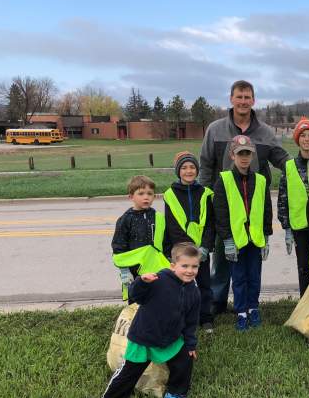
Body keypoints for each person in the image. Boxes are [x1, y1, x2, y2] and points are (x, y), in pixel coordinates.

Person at [198, 80, 290, 316]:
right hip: (223, 207)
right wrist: (205, 196)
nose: (243, 101)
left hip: (254, 208)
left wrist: (307, 166)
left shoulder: (265, 132)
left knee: (250, 260)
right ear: (231, 99)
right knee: (221, 256)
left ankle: (249, 304)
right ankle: (217, 302)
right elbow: (206, 166)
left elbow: (283, 160)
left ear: (253, 100)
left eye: (247, 97)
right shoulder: (215, 129)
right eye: (239, 97)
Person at [81, 242, 201, 398]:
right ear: (173, 265)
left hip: (170, 339)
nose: (190, 271)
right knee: (128, 372)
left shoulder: (194, 292)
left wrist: (190, 344)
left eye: (194, 266)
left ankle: (174, 395)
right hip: (144, 338)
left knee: (184, 360)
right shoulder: (158, 280)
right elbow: (135, 296)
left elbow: (191, 321)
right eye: (185, 266)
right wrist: (141, 282)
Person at [212, 135, 272, 331]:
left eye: (247, 153)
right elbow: (220, 212)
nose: (244, 158)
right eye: (240, 154)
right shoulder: (224, 180)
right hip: (235, 240)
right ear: (232, 155)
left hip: (255, 238)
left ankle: (253, 308)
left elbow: (266, 210)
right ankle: (241, 312)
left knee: (254, 276)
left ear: (252, 155)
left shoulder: (261, 180)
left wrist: (267, 236)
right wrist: (227, 239)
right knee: (238, 278)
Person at [163, 151, 215, 333]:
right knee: (182, 286)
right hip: (183, 251)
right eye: (184, 168)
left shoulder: (205, 193)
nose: (188, 171)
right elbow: (172, 225)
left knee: (204, 285)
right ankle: (183, 317)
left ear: (197, 170)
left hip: (201, 251)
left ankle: (206, 318)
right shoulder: (170, 195)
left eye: (192, 167)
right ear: (178, 171)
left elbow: (209, 223)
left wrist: (205, 247)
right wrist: (184, 250)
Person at [278, 117, 309, 296]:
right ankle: (306, 303)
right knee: (303, 267)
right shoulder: (289, 166)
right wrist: (287, 228)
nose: (306, 139)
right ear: (297, 139)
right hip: (299, 227)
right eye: (303, 135)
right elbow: (283, 198)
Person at [111, 175, 170, 301]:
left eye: (150, 193)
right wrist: (124, 270)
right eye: (141, 193)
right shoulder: (126, 219)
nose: (146, 197)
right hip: (134, 269)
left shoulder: (158, 217)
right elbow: (118, 246)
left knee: (157, 298)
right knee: (137, 300)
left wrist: (169, 260)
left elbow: (166, 242)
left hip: (157, 267)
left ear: (154, 197)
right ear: (131, 196)